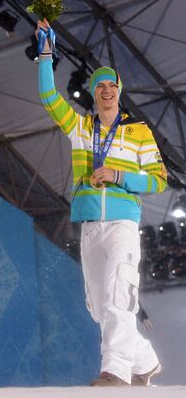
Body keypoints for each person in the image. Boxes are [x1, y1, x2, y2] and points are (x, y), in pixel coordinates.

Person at [36, 20, 167, 386]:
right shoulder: (79, 128)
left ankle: (116, 371)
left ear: (119, 92)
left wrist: (121, 176)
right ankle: (145, 360)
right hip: (91, 227)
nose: (107, 90)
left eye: (112, 85)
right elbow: (49, 97)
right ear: (93, 93)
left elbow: (158, 179)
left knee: (115, 298)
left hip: (123, 225)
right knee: (99, 308)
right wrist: (46, 55)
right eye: (100, 86)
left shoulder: (138, 132)